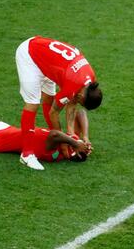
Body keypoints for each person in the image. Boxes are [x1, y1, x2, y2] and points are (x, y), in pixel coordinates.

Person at [15, 35, 103, 170]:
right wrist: (64, 143)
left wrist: (71, 135)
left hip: (46, 58)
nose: (78, 102)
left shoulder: (89, 79)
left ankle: (56, 136)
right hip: (30, 56)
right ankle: (26, 155)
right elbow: (54, 112)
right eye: (81, 101)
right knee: (33, 103)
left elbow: (72, 104)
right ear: (80, 95)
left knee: (49, 97)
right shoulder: (72, 86)